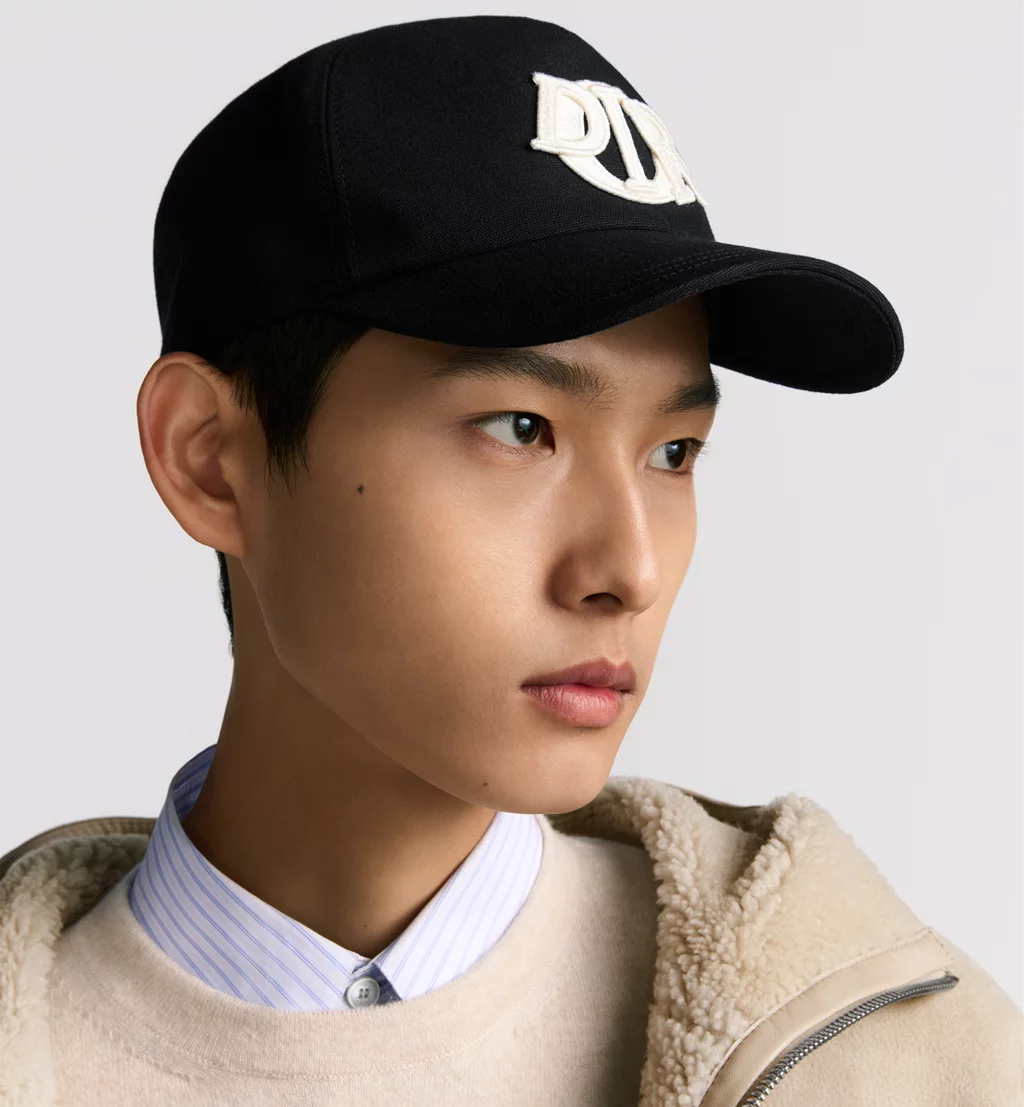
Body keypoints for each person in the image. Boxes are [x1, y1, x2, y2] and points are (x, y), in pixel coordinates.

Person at [0, 14, 1019, 1107]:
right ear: (209, 459)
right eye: (520, 429)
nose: (630, 568)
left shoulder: (897, 1057)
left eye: (674, 452)